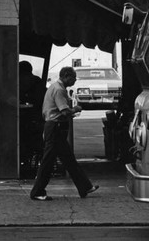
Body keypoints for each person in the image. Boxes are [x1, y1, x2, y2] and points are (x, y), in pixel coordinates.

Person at [30, 66, 99, 201]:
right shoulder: (59, 90)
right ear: (66, 76)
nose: (74, 80)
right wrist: (76, 109)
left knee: (69, 160)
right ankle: (37, 191)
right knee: (48, 162)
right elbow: (65, 111)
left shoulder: (55, 87)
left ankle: (85, 186)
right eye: (73, 77)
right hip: (55, 127)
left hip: (55, 127)